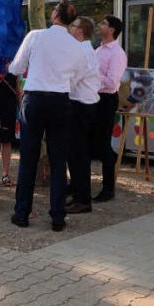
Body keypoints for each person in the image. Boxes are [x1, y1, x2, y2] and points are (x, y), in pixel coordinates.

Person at [9, 0, 85, 232]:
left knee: (28, 157)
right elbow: (77, 77)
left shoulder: (35, 36)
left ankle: (22, 213)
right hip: (61, 100)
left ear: (54, 15)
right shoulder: (76, 46)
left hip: (34, 99)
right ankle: (57, 217)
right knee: (59, 159)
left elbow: (16, 68)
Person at [66, 16, 101, 214]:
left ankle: (83, 199)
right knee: (76, 153)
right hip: (84, 104)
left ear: (80, 31)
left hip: (80, 105)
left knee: (78, 154)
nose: (70, 29)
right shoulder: (87, 50)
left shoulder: (81, 51)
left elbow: (73, 78)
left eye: (73, 26)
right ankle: (78, 193)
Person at [93, 15, 127, 202]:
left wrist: (93, 77)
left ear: (112, 30)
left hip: (105, 99)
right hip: (93, 98)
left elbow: (112, 81)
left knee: (103, 143)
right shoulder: (98, 50)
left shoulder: (117, 53)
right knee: (91, 141)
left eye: (103, 23)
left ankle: (108, 188)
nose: (100, 25)